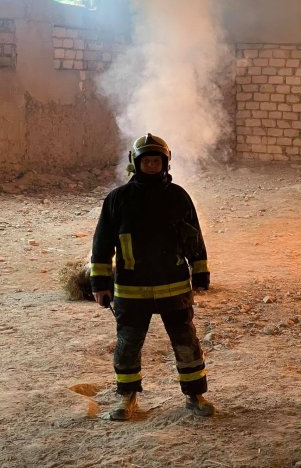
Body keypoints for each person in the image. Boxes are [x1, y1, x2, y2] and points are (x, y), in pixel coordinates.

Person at [89, 133, 215, 421]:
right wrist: (99, 284)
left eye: (156, 160)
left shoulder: (178, 197)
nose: (151, 165)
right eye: (146, 160)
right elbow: (101, 243)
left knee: (186, 342)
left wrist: (201, 273)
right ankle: (126, 396)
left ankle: (195, 395)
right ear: (135, 163)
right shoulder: (117, 199)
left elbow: (194, 238)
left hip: (174, 287)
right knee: (128, 345)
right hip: (132, 291)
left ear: (165, 163)